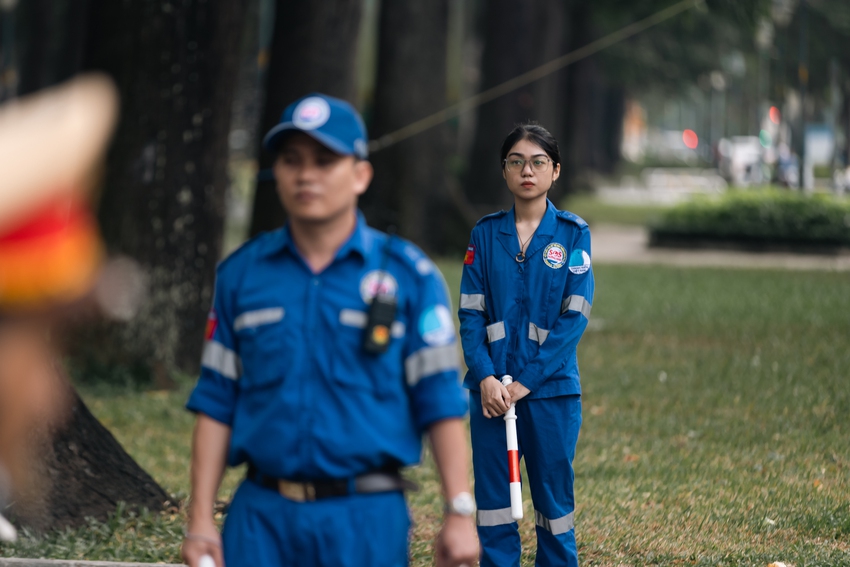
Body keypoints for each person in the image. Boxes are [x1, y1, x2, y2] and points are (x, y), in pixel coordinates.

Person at [182, 93, 479, 567]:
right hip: (261, 520)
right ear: (276, 173)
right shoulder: (242, 276)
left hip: (365, 520)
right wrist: (199, 521)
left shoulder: (409, 276)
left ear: (360, 174)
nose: (306, 175)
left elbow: (439, 400)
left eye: (325, 161)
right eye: (291, 160)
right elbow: (218, 400)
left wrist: (459, 511)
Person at [458, 123, 594, 566]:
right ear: (504, 171)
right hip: (491, 394)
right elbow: (471, 314)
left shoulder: (573, 235)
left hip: (551, 393)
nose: (527, 171)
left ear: (555, 171)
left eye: (538, 162)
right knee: (494, 503)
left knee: (553, 504)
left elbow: (573, 319)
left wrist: (526, 383)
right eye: (516, 162)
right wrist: (485, 378)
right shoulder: (485, 234)